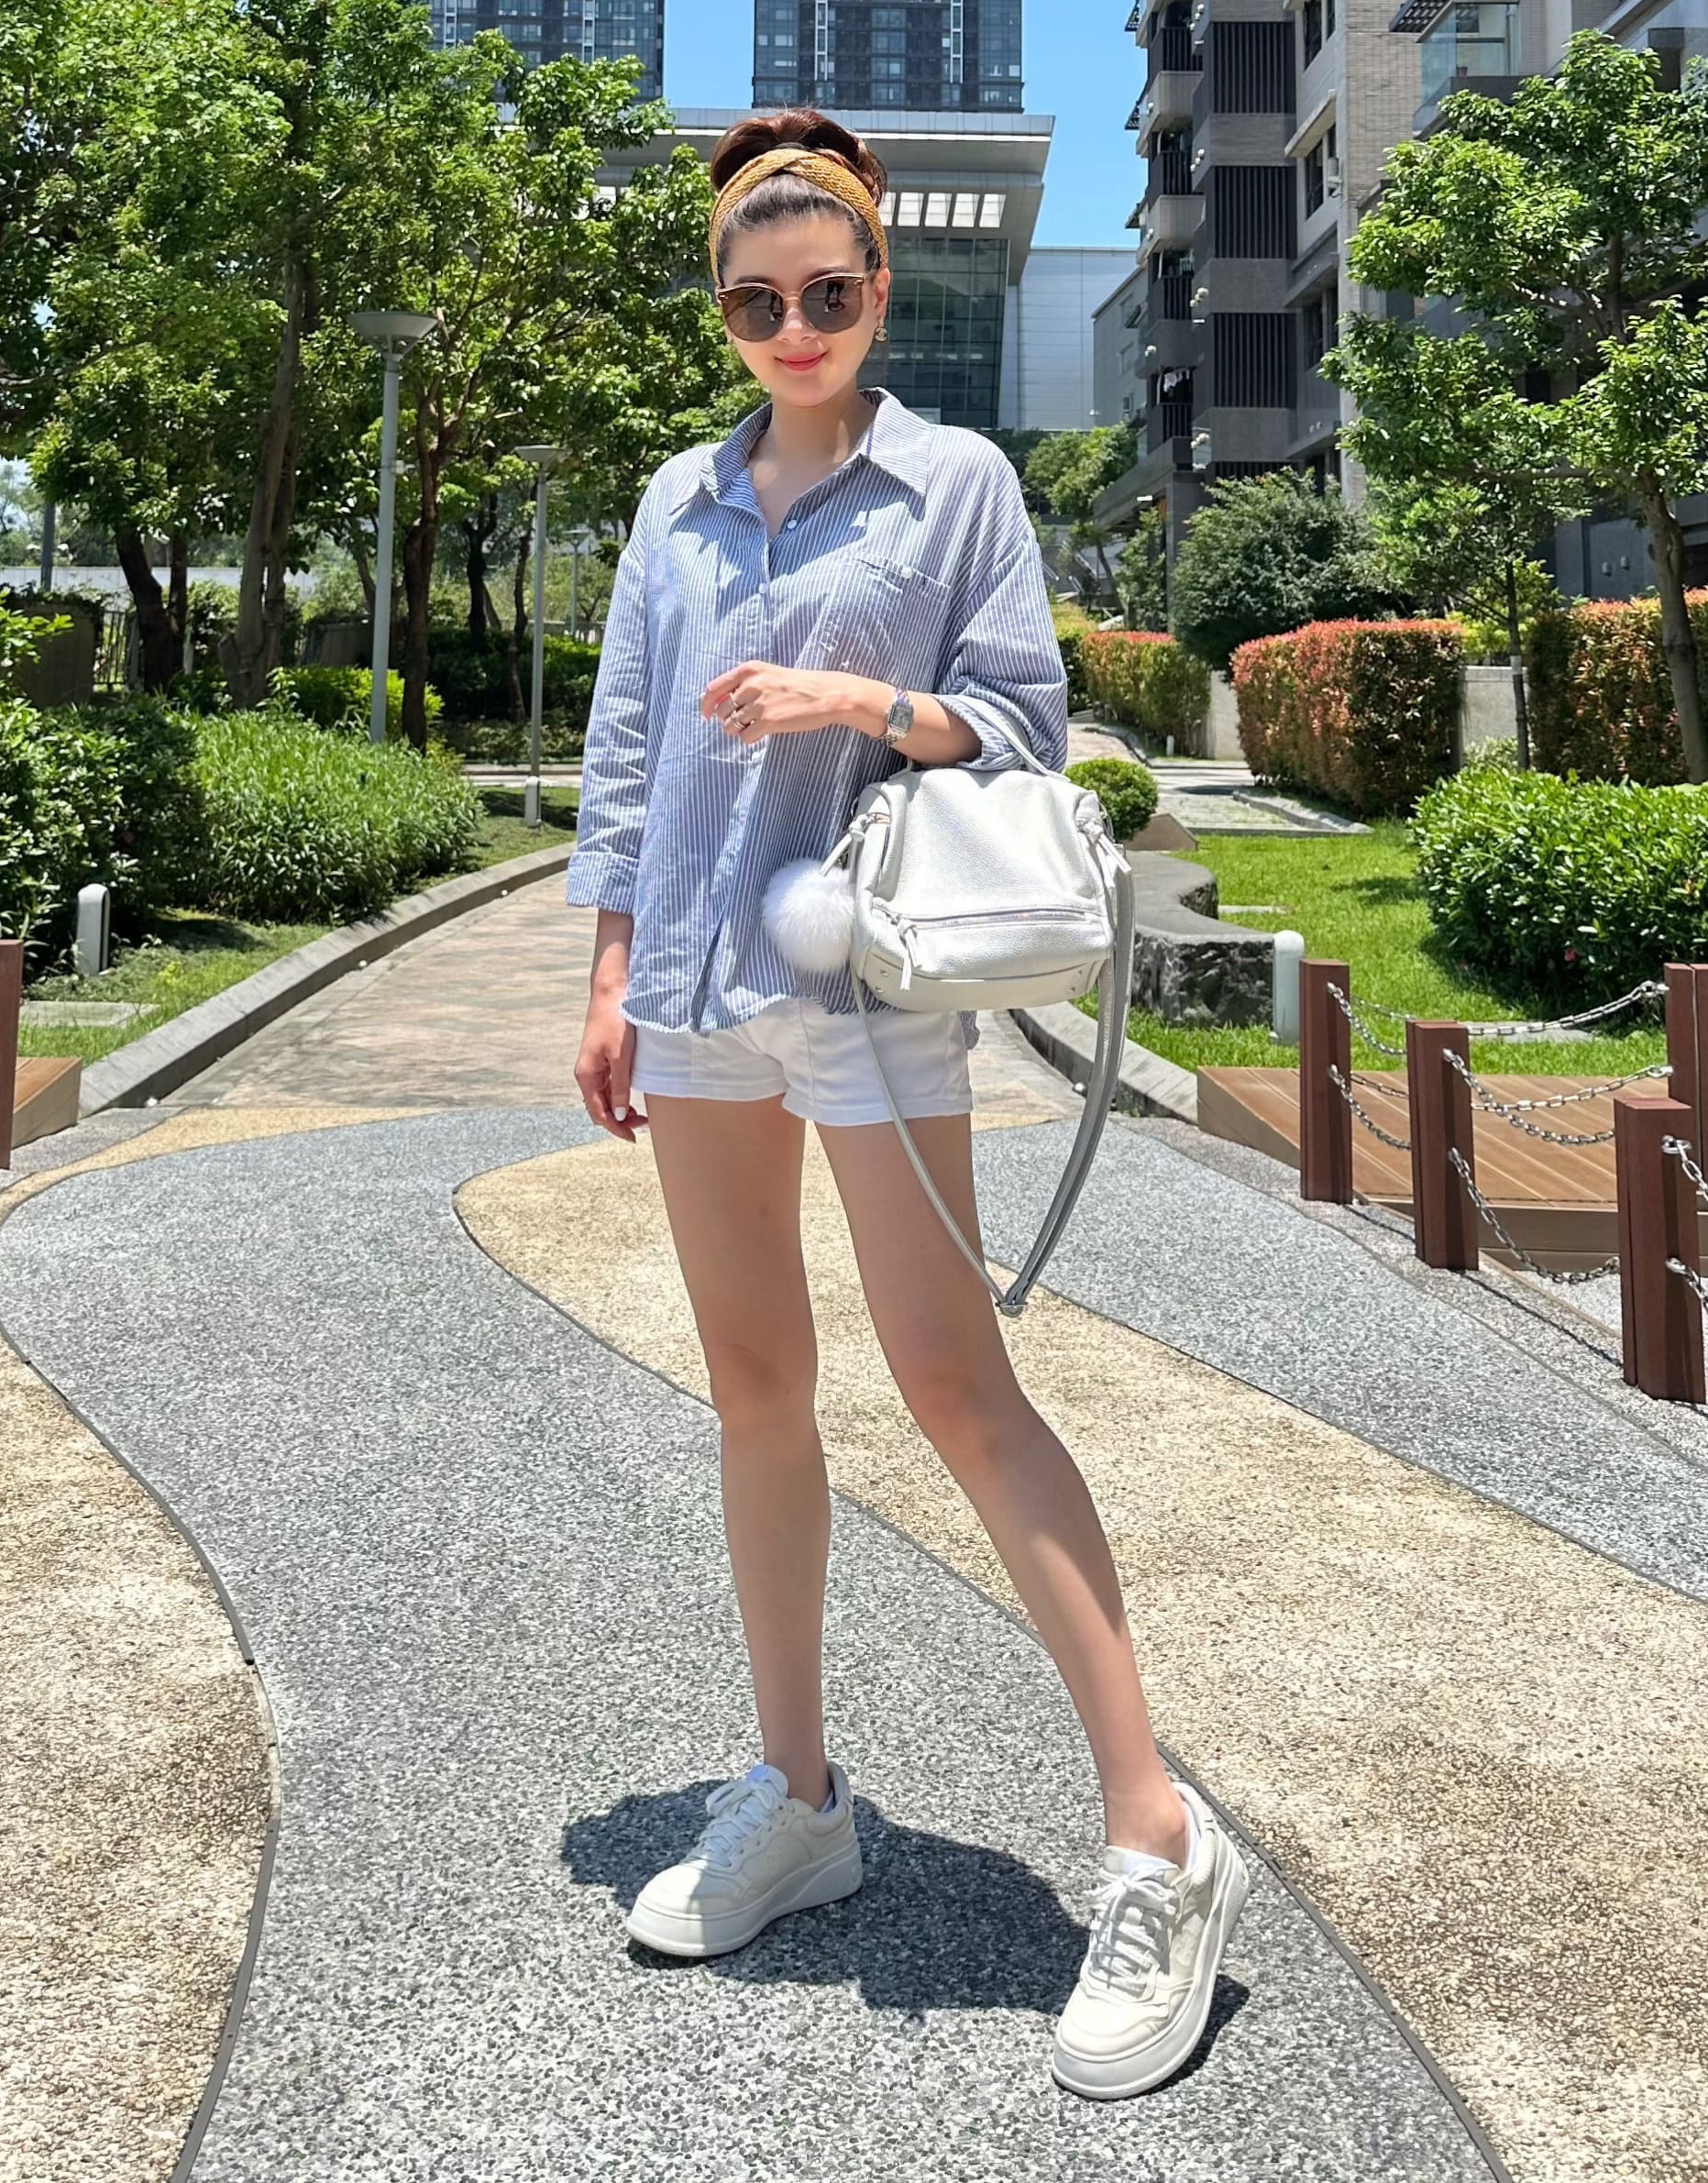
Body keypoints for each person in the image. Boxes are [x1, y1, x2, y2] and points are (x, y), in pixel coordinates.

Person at [566, 107, 1245, 2102]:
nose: (794, 328)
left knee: (953, 1384)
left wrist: (853, 700)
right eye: (755, 301)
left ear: (878, 292)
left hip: (866, 982)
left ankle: (1156, 1833)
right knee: (753, 1389)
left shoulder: (953, 483)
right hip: (699, 988)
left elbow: (1025, 725)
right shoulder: (677, 497)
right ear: (721, 309)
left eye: (829, 293)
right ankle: (797, 1796)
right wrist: (605, 974)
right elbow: (626, 746)